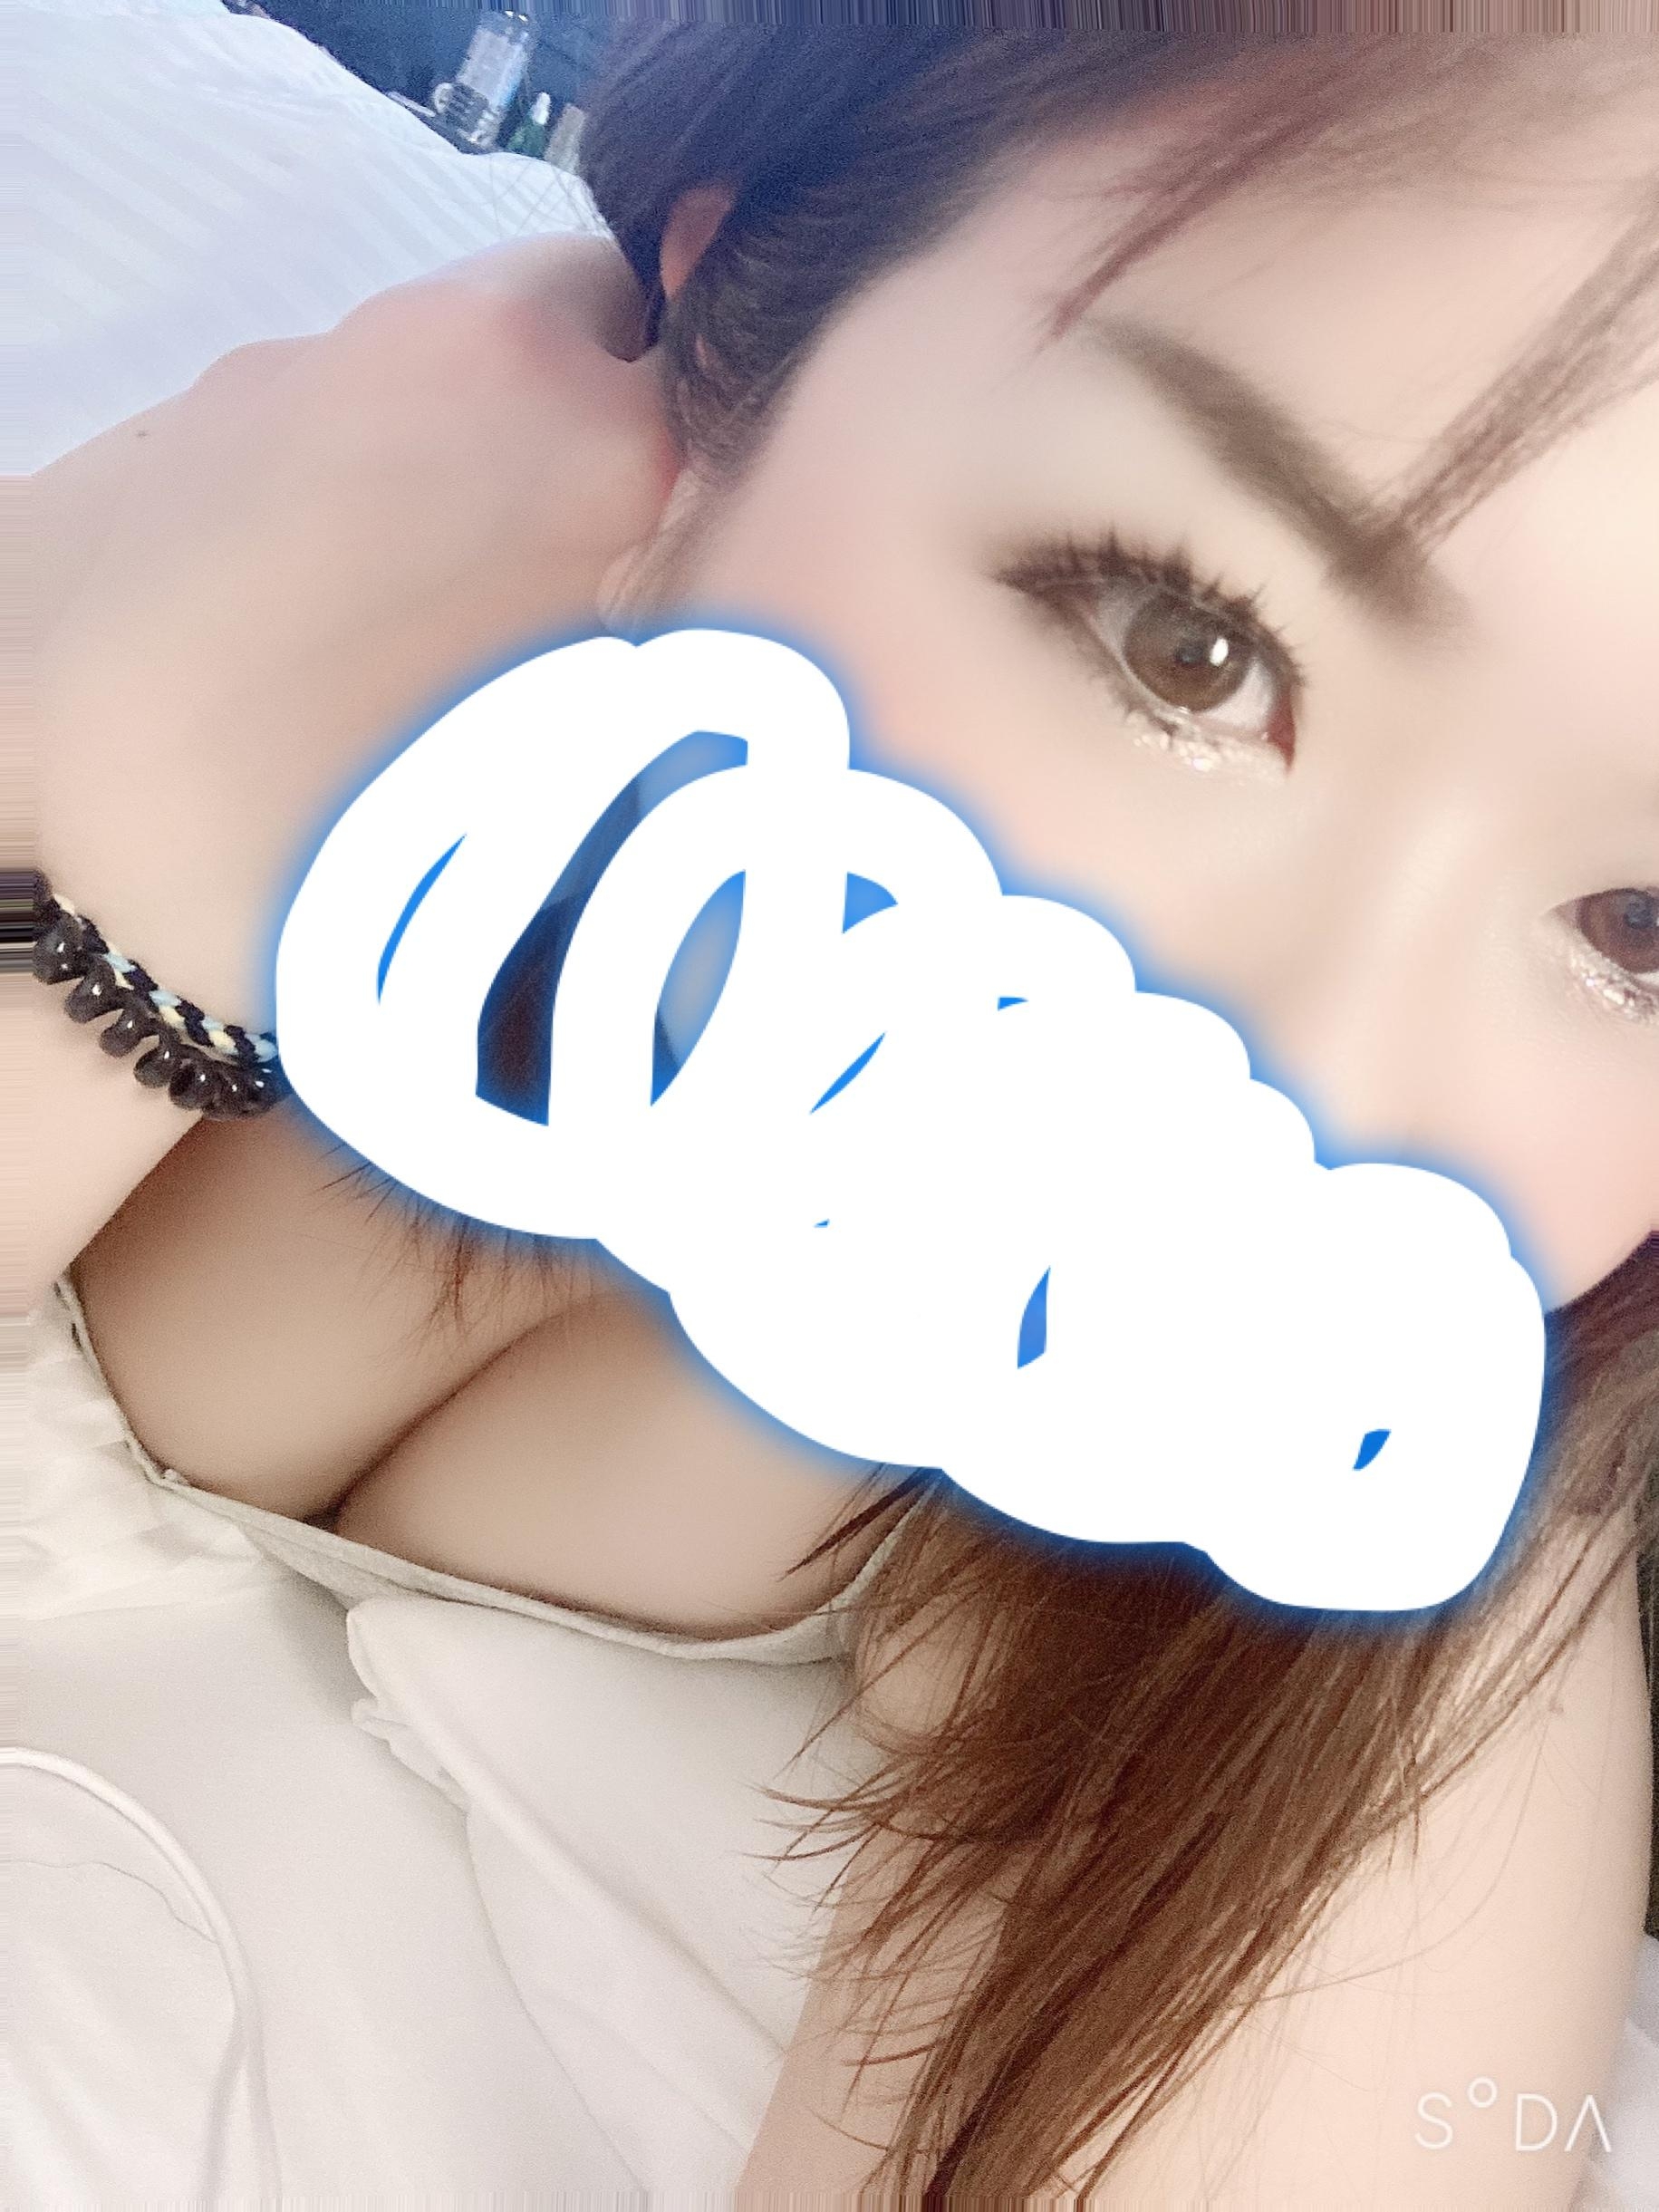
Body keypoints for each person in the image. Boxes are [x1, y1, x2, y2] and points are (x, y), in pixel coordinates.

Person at [25, 28, 1659, 2203]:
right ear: (728, 320)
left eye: (1641, 930)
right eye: (1187, 648)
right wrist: (118, 807)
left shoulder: (1389, 1651)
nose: (1317, 1084)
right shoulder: (196, 561)